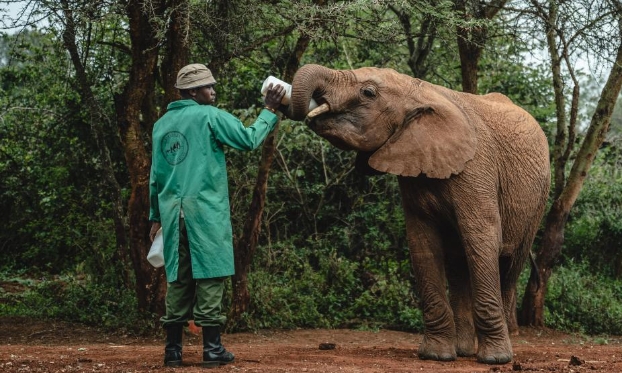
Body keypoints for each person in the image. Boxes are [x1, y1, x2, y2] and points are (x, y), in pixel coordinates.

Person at [148, 63, 286, 368]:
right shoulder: (209, 116)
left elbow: (155, 177)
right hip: (204, 212)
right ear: (193, 92)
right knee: (211, 273)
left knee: (178, 279)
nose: (213, 91)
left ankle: (173, 352)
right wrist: (269, 110)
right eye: (208, 87)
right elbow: (248, 139)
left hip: (172, 214)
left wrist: (155, 218)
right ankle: (212, 350)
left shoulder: (161, 125)